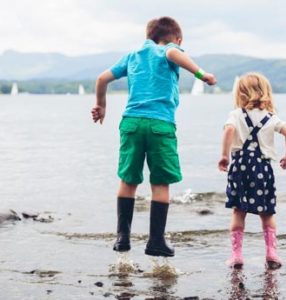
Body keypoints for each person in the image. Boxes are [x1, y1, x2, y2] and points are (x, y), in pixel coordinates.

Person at [91, 17, 217, 257]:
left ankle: (122, 238)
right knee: (160, 183)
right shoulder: (169, 49)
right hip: (160, 124)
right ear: (177, 40)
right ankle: (156, 241)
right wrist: (202, 75)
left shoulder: (132, 55)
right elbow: (173, 55)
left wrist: (101, 105)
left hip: (131, 123)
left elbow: (101, 79)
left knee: (128, 181)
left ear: (147, 36)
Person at [218, 73, 286, 269]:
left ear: (240, 93)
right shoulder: (271, 117)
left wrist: (225, 155)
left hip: (240, 166)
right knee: (267, 212)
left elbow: (228, 131)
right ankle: (271, 253)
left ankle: (236, 256)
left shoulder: (236, 114)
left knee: (238, 211)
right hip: (262, 167)